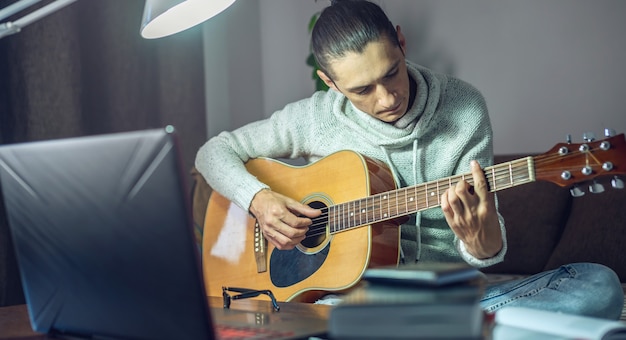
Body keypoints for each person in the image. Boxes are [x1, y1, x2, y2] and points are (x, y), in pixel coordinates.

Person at [195, 0, 623, 319]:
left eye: (391, 72)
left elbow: (485, 249)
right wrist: (259, 199)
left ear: (401, 41)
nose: (387, 99)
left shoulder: (464, 108)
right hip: (340, 301)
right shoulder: (314, 116)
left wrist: (481, 241)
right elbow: (212, 152)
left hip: (442, 296)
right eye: (362, 90)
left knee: (598, 285)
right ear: (330, 82)